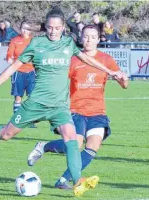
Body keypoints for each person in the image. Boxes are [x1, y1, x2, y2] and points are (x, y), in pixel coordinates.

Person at [0, 7, 122, 196]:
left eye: (57, 27)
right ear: (46, 28)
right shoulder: (37, 44)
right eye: (50, 27)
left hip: (59, 107)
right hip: (35, 104)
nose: (53, 31)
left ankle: (77, 182)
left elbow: (87, 59)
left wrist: (110, 72)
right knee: (5, 134)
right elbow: (13, 68)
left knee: (71, 140)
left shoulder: (69, 44)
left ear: (63, 28)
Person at [27, 25, 128, 189]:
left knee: (92, 148)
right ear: (81, 38)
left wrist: (123, 79)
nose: (89, 40)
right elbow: (58, 78)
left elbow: (124, 84)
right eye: (86, 36)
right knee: (75, 144)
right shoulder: (73, 60)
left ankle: (62, 180)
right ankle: (43, 146)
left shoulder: (106, 60)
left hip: (97, 112)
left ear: (98, 39)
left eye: (93, 37)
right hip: (75, 111)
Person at [6, 20, 36, 128]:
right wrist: (13, 64)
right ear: (20, 28)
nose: (25, 30)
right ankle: (16, 121)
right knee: (18, 97)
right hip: (18, 73)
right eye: (23, 28)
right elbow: (9, 56)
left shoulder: (34, 41)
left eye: (28, 28)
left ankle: (29, 120)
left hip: (31, 72)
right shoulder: (15, 40)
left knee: (32, 97)